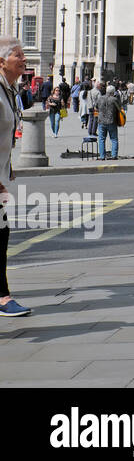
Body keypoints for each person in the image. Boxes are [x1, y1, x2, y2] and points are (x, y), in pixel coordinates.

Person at [0, 38, 31, 316]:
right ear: (1, 62)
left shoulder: (8, 89)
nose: (23, 59)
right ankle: (3, 298)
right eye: (18, 55)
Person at [97, 84, 123, 160]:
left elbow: (96, 106)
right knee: (114, 139)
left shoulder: (100, 98)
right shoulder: (114, 99)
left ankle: (102, 156)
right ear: (113, 92)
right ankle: (114, 155)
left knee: (101, 139)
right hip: (111, 121)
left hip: (101, 121)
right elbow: (119, 109)